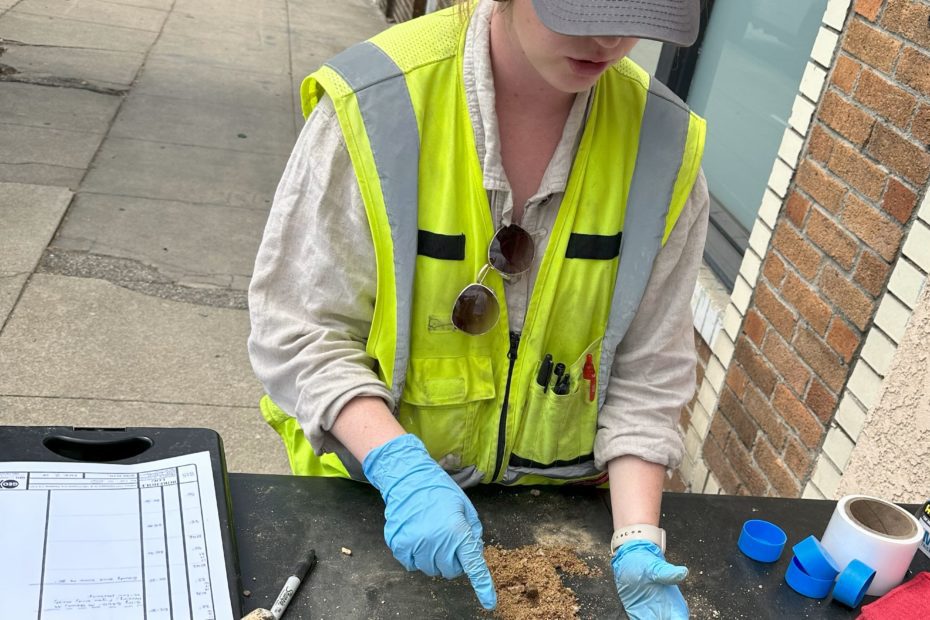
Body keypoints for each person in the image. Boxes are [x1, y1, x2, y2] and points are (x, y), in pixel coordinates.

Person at [248, 0, 708, 617]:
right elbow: (299, 327)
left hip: (559, 515)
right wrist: (398, 466)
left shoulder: (666, 145)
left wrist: (634, 537)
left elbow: (649, 371)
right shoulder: (378, 102)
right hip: (372, 499)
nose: (609, 37)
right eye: (580, 7)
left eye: (635, 12)